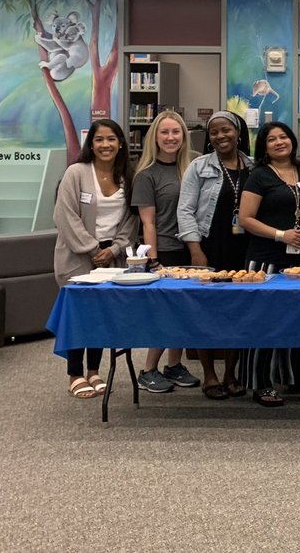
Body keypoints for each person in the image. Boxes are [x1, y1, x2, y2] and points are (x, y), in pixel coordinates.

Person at [53, 119, 139, 399]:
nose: (105, 145)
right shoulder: (76, 173)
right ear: (91, 144)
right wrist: (92, 249)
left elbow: (130, 220)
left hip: (112, 258)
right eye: (99, 140)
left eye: (111, 139)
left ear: (121, 143)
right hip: (77, 256)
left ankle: (94, 371)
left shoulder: (127, 174)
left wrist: (113, 250)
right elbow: (65, 216)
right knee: (79, 316)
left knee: (101, 315)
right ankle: (75, 374)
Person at [238, 121, 300, 407]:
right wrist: (280, 234)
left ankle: (297, 374)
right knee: (263, 320)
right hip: (264, 261)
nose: (278, 142)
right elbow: (245, 219)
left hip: (299, 260)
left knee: (298, 317)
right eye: (271, 139)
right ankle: (260, 382)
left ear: (292, 141)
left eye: (283, 137)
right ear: (264, 147)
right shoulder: (258, 176)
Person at [177, 111, 253, 401]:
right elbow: (185, 210)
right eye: (214, 133)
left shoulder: (253, 165)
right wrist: (195, 250)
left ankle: (231, 373)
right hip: (208, 248)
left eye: (226, 131)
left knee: (237, 313)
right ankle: (209, 375)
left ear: (237, 132)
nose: (221, 137)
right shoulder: (199, 167)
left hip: (243, 250)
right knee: (206, 313)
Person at [131, 110, 200, 394]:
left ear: (184, 136)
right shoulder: (146, 175)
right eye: (165, 132)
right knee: (163, 314)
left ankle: (174, 366)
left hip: (193, 249)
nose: (171, 138)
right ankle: (148, 370)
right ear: (155, 138)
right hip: (166, 251)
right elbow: (147, 222)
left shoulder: (194, 166)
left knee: (184, 312)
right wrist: (154, 260)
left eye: (176, 132)